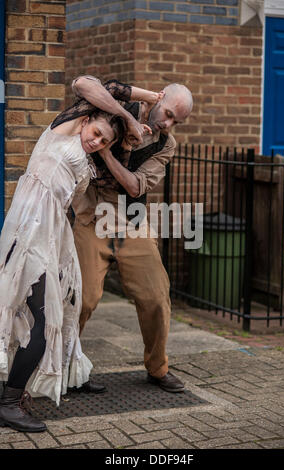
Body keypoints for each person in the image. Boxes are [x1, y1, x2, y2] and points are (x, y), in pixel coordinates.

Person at [0, 104, 134, 433]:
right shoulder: (57, 134)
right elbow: (90, 85)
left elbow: (118, 188)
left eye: (105, 141)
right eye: (96, 133)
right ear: (84, 121)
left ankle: (14, 396)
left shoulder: (89, 162)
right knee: (43, 321)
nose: (97, 141)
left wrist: (119, 144)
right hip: (28, 237)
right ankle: (8, 403)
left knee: (40, 316)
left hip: (50, 240)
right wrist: (132, 113)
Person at [70, 76, 193, 393]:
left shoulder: (167, 144)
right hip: (93, 213)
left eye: (175, 121)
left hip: (132, 219)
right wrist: (126, 120)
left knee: (155, 296)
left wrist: (109, 154)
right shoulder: (120, 108)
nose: (168, 124)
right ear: (159, 98)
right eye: (167, 113)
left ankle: (157, 368)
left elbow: (137, 186)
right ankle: (66, 367)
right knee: (82, 299)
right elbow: (85, 84)